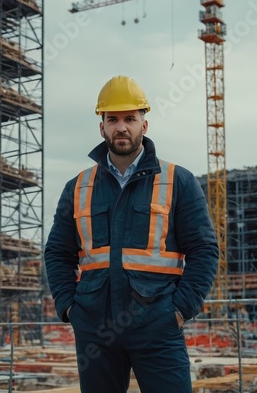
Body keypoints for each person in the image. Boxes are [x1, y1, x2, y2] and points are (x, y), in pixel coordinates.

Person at [44, 75, 219, 393]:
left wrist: (179, 311)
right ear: (102, 127)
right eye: (112, 119)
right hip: (95, 329)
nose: (121, 127)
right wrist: (71, 307)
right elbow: (57, 251)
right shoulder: (78, 187)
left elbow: (204, 250)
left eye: (129, 118)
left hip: (158, 325)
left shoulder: (178, 181)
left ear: (144, 124)